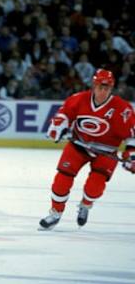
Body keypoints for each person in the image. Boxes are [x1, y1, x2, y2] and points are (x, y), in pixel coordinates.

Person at [40, 69, 135, 230]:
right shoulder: (78, 99)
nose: (103, 91)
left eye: (107, 88)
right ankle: (55, 213)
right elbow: (63, 115)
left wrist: (131, 156)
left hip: (107, 152)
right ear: (94, 85)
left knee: (94, 188)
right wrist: (58, 125)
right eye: (100, 87)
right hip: (78, 145)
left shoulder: (122, 109)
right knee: (61, 181)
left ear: (112, 88)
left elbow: (132, 136)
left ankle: (85, 204)